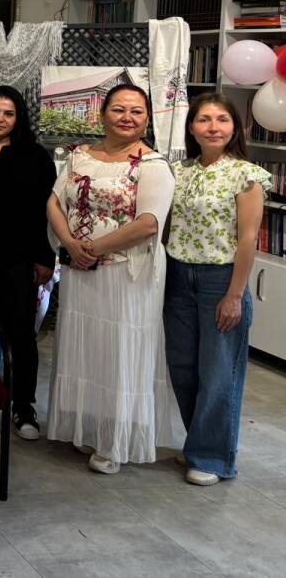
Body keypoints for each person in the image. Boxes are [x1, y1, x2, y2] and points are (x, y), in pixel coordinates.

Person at [46, 83, 179, 474]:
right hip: (82, 270)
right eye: (119, 109)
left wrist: (92, 248)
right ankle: (88, 426)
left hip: (126, 275)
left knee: (120, 353)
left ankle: (114, 440)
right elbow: (54, 202)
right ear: (102, 114)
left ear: (147, 119)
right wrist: (71, 244)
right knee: (86, 347)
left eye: (136, 111)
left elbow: (149, 223)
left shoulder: (153, 165)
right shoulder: (80, 156)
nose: (127, 117)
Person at [163, 93, 268, 485]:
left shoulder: (247, 175)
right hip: (178, 276)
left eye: (222, 119)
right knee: (183, 368)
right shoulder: (178, 171)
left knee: (218, 371)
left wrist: (234, 294)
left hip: (220, 280)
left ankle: (212, 457)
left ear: (235, 128)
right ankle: (198, 442)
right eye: (204, 119)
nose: (213, 127)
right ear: (191, 128)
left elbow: (247, 239)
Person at [0, 86, 54, 439]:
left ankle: (24, 406)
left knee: (21, 333)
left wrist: (45, 256)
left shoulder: (35, 155)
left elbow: (47, 211)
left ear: (18, 118)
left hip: (19, 257)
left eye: (8, 113)